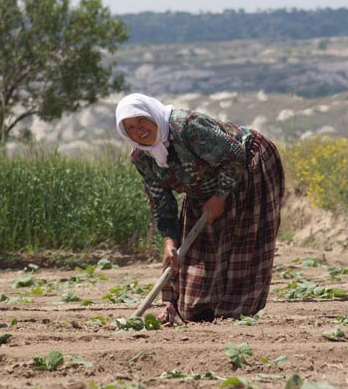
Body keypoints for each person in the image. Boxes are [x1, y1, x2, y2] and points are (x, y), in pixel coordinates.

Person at [115, 93, 284, 323]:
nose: (139, 130)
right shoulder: (142, 158)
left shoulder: (186, 127)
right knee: (197, 254)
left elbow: (235, 154)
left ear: (153, 115)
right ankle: (201, 308)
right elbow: (160, 200)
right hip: (200, 186)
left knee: (243, 240)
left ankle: (235, 311)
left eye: (142, 120)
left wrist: (220, 196)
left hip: (247, 166)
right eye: (131, 127)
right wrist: (169, 241)